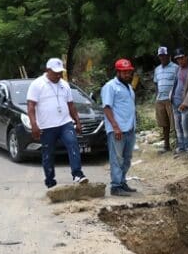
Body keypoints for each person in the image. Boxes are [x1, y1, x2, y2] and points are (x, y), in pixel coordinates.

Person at [27, 58, 88, 188]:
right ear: (48, 70)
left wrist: (77, 121)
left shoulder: (64, 84)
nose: (58, 75)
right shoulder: (37, 84)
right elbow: (31, 106)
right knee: (48, 153)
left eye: (60, 72)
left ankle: (78, 174)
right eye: (56, 72)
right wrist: (34, 125)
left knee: (73, 144)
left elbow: (71, 105)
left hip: (65, 123)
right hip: (47, 126)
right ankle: (50, 180)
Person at [101, 58, 138, 197]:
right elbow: (107, 107)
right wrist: (115, 127)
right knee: (117, 158)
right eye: (124, 72)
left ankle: (122, 182)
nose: (128, 74)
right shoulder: (110, 86)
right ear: (118, 72)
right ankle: (115, 186)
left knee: (127, 158)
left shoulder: (128, 87)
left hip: (129, 128)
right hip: (117, 129)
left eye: (129, 72)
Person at [171, 48, 188, 155]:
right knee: (177, 125)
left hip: (184, 102)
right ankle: (180, 146)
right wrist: (171, 96)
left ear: (186, 57)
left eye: (181, 58)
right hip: (175, 100)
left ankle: (187, 146)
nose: (180, 61)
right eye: (178, 59)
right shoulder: (178, 69)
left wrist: (185, 103)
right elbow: (175, 83)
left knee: (184, 124)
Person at [153, 46, 178, 153]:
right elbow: (156, 83)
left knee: (175, 123)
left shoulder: (176, 68)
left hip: (171, 99)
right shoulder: (157, 69)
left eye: (164, 56)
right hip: (160, 100)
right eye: (160, 56)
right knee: (164, 124)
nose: (162, 58)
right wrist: (157, 96)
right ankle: (166, 146)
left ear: (169, 56)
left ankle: (179, 145)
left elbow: (179, 83)